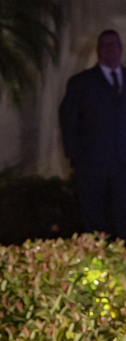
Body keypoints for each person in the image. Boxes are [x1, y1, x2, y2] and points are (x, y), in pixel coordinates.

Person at [59, 29, 126, 238]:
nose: (110, 49)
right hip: (92, 163)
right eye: (105, 45)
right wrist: (75, 156)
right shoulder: (81, 83)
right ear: (98, 50)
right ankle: (96, 255)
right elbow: (68, 119)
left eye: (114, 44)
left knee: (123, 216)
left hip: (123, 164)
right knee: (94, 218)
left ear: (121, 48)